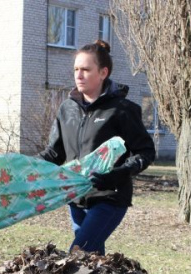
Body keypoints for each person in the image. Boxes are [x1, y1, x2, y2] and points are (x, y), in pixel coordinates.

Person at [39, 40, 155, 255]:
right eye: (76, 69)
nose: (79, 75)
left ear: (103, 73)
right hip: (76, 198)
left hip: (109, 197)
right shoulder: (67, 109)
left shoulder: (122, 110)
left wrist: (117, 175)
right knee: (92, 263)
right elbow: (55, 153)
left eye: (85, 69)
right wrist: (25, 166)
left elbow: (145, 152)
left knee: (78, 254)